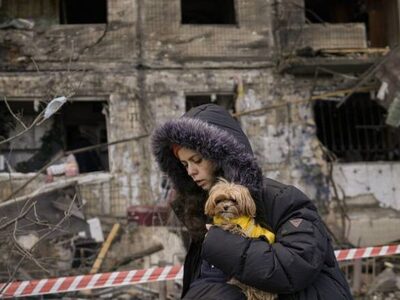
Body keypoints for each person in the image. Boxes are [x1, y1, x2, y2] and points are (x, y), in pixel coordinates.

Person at [151, 104, 353, 300]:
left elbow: (296, 265)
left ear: (221, 157)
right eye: (184, 164)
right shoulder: (207, 211)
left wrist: (219, 242)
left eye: (197, 160)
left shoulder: (282, 198)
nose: (190, 171)